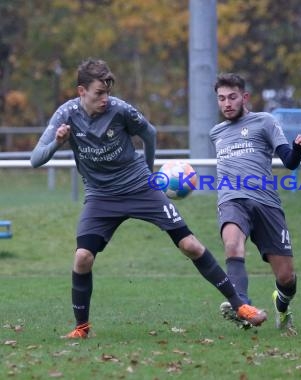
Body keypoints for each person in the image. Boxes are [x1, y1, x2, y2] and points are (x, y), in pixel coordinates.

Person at [30, 58, 267, 339]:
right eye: (98, 93)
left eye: (108, 92)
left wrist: (150, 172)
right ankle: (82, 328)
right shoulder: (65, 115)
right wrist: (58, 143)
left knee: (190, 245)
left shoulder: (120, 110)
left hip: (140, 188)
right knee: (82, 258)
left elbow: (149, 133)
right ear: (82, 92)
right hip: (101, 197)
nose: (105, 99)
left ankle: (241, 306)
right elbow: (35, 159)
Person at [210, 73, 301, 335]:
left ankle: (282, 304)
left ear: (244, 97)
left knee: (286, 278)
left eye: (232, 97)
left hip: (266, 203)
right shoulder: (216, 133)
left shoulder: (264, 122)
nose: (227, 103)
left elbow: (288, 162)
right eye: (221, 99)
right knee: (232, 245)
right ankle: (241, 305)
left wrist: (298, 150)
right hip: (232, 199)